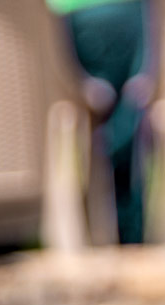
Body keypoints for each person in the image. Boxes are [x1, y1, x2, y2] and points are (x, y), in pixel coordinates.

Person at [47, 0, 152, 243]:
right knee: (123, 129)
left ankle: (107, 238)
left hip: (73, 17)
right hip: (115, 17)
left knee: (113, 133)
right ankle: (128, 239)